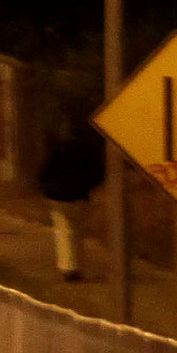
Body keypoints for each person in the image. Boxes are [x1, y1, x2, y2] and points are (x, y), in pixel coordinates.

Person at [36, 121, 105, 284]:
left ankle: (67, 267)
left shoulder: (59, 149)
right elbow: (98, 172)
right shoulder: (88, 152)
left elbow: (46, 169)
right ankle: (76, 267)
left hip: (59, 195)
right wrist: (89, 186)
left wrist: (45, 187)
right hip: (79, 195)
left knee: (63, 230)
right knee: (77, 231)